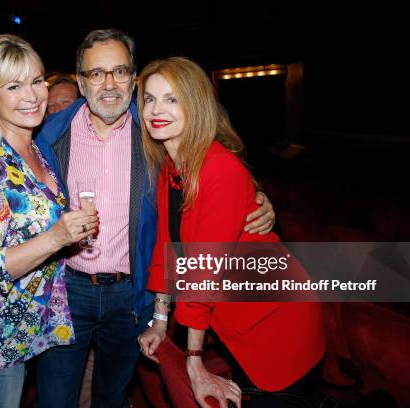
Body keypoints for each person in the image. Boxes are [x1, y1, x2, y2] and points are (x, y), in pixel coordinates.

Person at [34, 29, 276, 407]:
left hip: (134, 294)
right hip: (68, 290)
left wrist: (257, 198)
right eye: (96, 74)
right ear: (82, 82)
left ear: (133, 78)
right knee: (54, 399)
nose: (109, 84)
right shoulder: (49, 138)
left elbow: (210, 156)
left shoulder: (155, 129)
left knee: (112, 397)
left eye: (119, 71)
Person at [136, 57, 324, 408]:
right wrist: (160, 321)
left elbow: (203, 270)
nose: (156, 109)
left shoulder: (219, 168)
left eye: (172, 99)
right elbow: (168, 248)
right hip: (236, 316)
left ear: (197, 105)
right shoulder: (170, 168)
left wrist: (195, 360)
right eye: (149, 98)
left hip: (277, 318)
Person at [0, 34, 98, 408]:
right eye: (14, 86)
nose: (32, 96)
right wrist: (55, 237)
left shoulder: (35, 149)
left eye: (36, 81)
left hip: (37, 318)